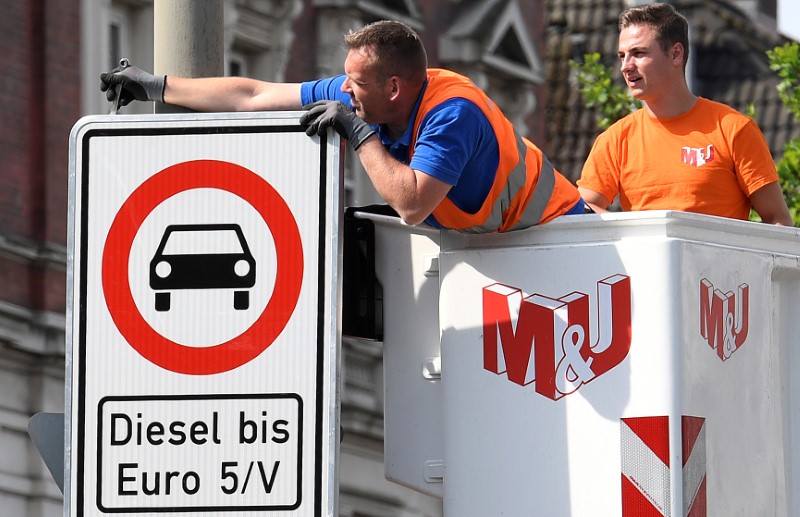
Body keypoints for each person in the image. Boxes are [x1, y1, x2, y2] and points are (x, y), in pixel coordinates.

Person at [100, 20, 586, 233]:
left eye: (354, 83)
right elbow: (256, 96)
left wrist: (358, 133)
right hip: (507, 244)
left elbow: (412, 203)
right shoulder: (364, 93)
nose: (343, 91)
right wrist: (156, 86)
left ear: (393, 87)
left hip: (562, 235)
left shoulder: (451, 111)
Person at [577, 3, 793, 226]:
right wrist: (630, 227)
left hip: (720, 261)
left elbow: (778, 222)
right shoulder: (615, 139)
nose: (625, 66)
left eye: (638, 53)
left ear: (675, 54)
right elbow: (581, 208)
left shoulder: (733, 129)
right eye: (622, 56)